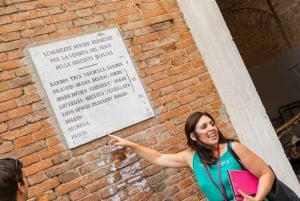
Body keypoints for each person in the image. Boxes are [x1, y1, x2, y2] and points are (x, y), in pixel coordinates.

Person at [108, 111, 275, 201]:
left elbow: (266, 173)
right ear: (193, 136)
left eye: (212, 124)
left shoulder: (233, 148)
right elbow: (159, 158)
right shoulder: (191, 158)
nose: (211, 128)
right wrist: (130, 144)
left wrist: (258, 198)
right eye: (204, 126)